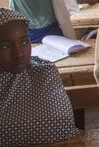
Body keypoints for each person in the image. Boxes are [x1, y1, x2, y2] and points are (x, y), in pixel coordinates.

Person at [0, 8, 79, 146]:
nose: (19, 53)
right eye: (5, 46)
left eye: (24, 42)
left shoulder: (43, 71)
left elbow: (64, 124)